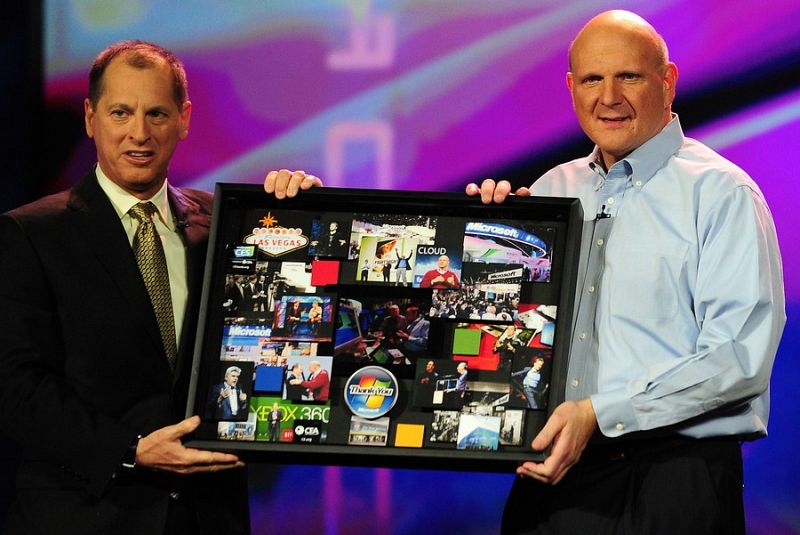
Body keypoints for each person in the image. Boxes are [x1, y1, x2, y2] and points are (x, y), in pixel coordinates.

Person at [467, 10, 785, 534]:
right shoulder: (549, 192)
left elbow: (737, 359)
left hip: (671, 484)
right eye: (592, 79)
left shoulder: (721, 193)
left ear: (668, 81)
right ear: (572, 88)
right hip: (550, 483)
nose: (609, 96)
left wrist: (600, 413)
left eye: (629, 76)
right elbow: (496, 328)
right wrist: (476, 235)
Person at [0, 40, 320, 534]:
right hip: (84, 515)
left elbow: (290, 329)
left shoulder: (227, 228)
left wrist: (309, 220)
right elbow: (15, 386)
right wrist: (130, 450)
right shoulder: (30, 234)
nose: (139, 134)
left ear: (184, 118)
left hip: (207, 516)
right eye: (121, 113)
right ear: (90, 117)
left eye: (157, 114)